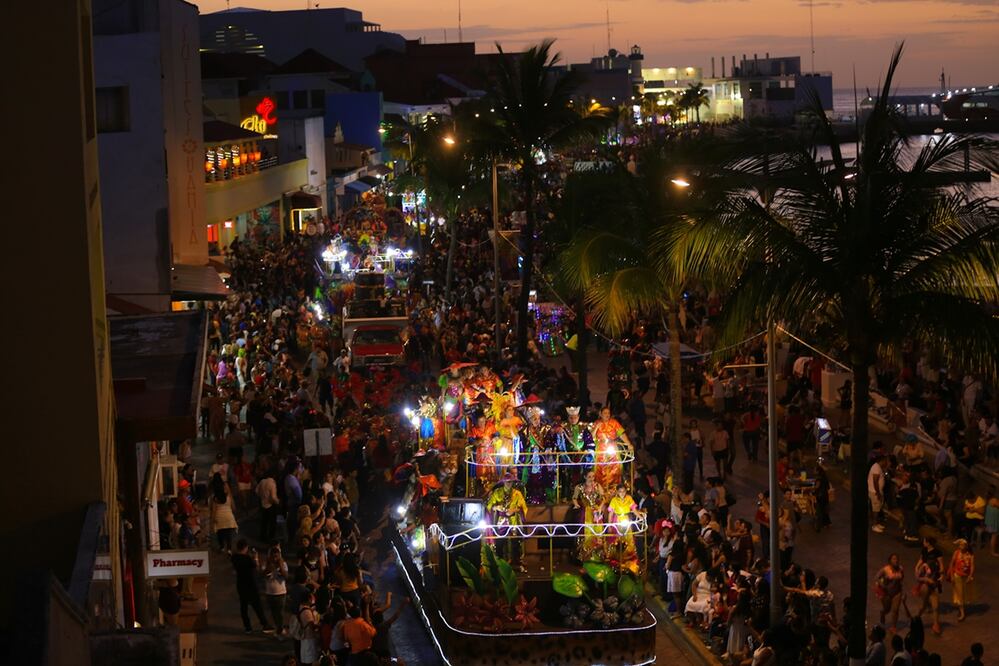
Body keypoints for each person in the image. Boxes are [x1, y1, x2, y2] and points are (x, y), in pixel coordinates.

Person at [485, 474, 528, 571]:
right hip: (501, 521)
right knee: (500, 542)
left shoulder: (517, 494)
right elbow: (489, 506)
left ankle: (515, 563)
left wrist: (515, 510)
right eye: (507, 482)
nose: (509, 484)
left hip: (513, 521)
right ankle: (500, 563)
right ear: (503, 482)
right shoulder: (497, 492)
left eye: (511, 482)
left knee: (515, 543)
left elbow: (524, 507)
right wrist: (496, 507)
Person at [230, 539, 274, 634]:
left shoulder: (234, 558)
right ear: (245, 547)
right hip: (251, 584)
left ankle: (247, 627)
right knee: (257, 605)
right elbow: (256, 568)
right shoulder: (248, 559)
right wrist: (256, 557)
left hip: (241, 584)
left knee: (244, 606)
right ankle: (264, 624)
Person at [571, 470, 606, 561]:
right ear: (585, 477)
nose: (592, 479)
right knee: (584, 531)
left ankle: (598, 554)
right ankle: (584, 555)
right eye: (589, 477)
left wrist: (600, 507)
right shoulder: (579, 487)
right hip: (585, 511)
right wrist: (576, 504)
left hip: (596, 512)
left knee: (597, 531)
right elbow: (574, 498)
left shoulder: (597, 486)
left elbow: (604, 498)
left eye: (593, 477)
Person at [592, 407, 631, 488]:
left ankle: (614, 488)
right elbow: (591, 437)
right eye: (605, 413)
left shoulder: (614, 423)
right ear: (601, 414)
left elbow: (621, 434)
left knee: (615, 467)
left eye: (608, 413)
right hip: (601, 449)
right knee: (600, 469)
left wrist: (628, 444)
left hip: (612, 447)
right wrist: (596, 428)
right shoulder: (597, 423)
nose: (607, 415)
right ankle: (601, 489)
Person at [914, 538, 943, 635]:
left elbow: (941, 567)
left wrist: (941, 576)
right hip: (925, 587)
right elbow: (918, 578)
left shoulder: (935, 565)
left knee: (936, 606)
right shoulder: (924, 567)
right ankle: (915, 620)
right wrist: (926, 579)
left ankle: (936, 624)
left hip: (932, 587)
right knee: (923, 606)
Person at [875, 553, 906, 632]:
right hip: (887, 593)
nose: (896, 560)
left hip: (897, 593)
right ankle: (882, 613)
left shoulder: (901, 568)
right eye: (894, 559)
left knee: (895, 610)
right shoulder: (885, 569)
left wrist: (903, 591)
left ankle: (894, 627)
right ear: (890, 561)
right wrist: (882, 584)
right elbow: (877, 577)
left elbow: (902, 580)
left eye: (897, 559)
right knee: (887, 609)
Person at [209, 472, 239, 553]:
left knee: (220, 532)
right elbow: (232, 501)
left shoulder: (215, 498)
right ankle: (229, 548)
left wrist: (212, 521)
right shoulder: (227, 494)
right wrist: (234, 510)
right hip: (228, 516)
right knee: (228, 533)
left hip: (219, 517)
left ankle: (222, 547)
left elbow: (213, 510)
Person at [262, 545, 289, 634]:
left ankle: (280, 628)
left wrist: (280, 566)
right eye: (273, 556)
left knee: (280, 613)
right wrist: (270, 566)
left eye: (277, 556)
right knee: (273, 612)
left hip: (281, 592)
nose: (275, 559)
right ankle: (277, 627)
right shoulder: (266, 563)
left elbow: (286, 576)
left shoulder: (283, 564)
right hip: (270, 593)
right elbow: (262, 574)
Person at [948, 538, 975, 622]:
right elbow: (951, 564)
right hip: (957, 576)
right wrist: (952, 576)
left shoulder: (970, 555)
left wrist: (970, 576)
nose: (960, 547)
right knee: (959, 594)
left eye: (962, 545)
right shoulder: (956, 553)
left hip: (965, 577)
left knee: (965, 594)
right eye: (959, 545)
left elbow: (972, 566)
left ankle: (962, 608)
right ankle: (962, 612)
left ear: (966, 546)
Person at [868, 453, 887, 533]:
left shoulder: (878, 467)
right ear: (881, 461)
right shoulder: (876, 468)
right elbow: (875, 481)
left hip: (876, 491)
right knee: (875, 509)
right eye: (885, 461)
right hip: (875, 492)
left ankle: (877, 523)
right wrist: (878, 492)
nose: (886, 462)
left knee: (878, 508)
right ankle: (874, 525)